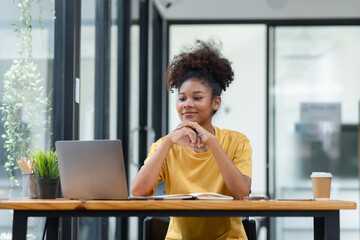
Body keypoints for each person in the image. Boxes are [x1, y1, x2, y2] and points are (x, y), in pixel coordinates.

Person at [132, 39, 252, 240]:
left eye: (197, 98)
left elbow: (241, 191)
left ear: (216, 102)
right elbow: (138, 191)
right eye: (182, 98)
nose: (187, 104)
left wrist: (212, 142)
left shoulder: (237, 142)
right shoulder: (164, 145)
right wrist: (168, 143)